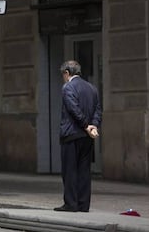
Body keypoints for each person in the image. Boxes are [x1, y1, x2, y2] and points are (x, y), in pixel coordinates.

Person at [54, 60, 102, 212]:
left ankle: (71, 204)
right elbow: (98, 110)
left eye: (63, 75)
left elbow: (73, 109)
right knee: (84, 171)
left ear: (67, 73)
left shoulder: (68, 87)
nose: (63, 78)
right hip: (87, 137)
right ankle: (83, 204)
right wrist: (93, 125)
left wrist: (85, 125)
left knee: (70, 171)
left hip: (72, 134)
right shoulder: (92, 88)